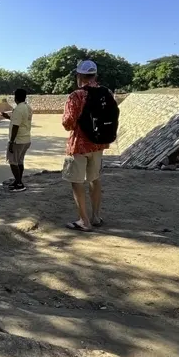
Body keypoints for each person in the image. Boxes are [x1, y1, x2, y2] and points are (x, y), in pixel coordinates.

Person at [61, 60, 113, 232]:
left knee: (76, 181)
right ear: (95, 75)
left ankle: (84, 221)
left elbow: (68, 123)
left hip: (80, 144)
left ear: (80, 76)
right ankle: (96, 216)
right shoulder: (107, 93)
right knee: (95, 179)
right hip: (98, 144)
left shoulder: (76, 96)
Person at [1, 88, 33, 192]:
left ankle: (19, 184)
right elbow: (20, 121)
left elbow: (16, 126)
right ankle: (17, 180)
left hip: (17, 140)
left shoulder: (18, 109)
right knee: (19, 161)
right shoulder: (27, 107)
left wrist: (11, 142)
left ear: (16, 97)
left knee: (13, 162)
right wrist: (8, 117)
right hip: (26, 139)